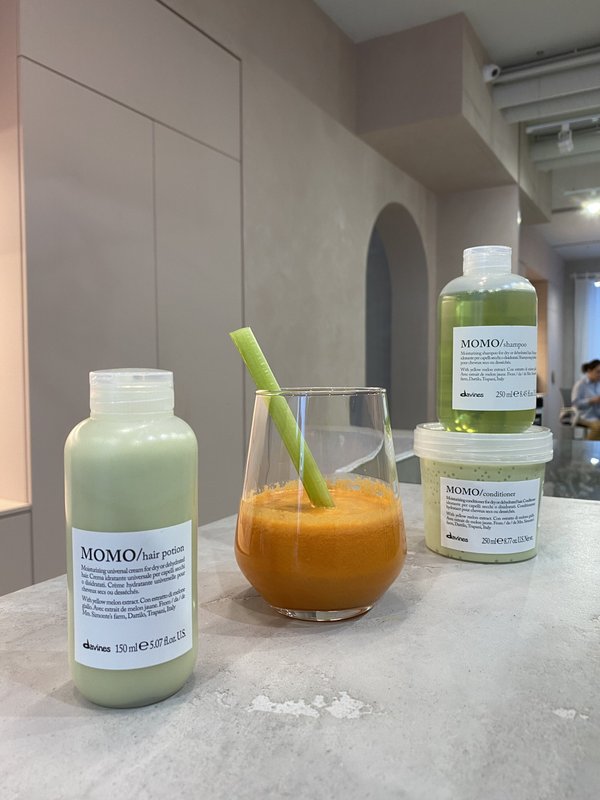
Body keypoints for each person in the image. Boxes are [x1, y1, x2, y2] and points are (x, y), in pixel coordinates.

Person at [571, 359, 600, 440]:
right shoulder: (581, 384)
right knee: (598, 427)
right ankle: (587, 446)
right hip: (583, 416)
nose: (599, 375)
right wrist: (591, 401)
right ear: (589, 371)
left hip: (597, 416)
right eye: (598, 372)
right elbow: (576, 404)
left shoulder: (598, 384)